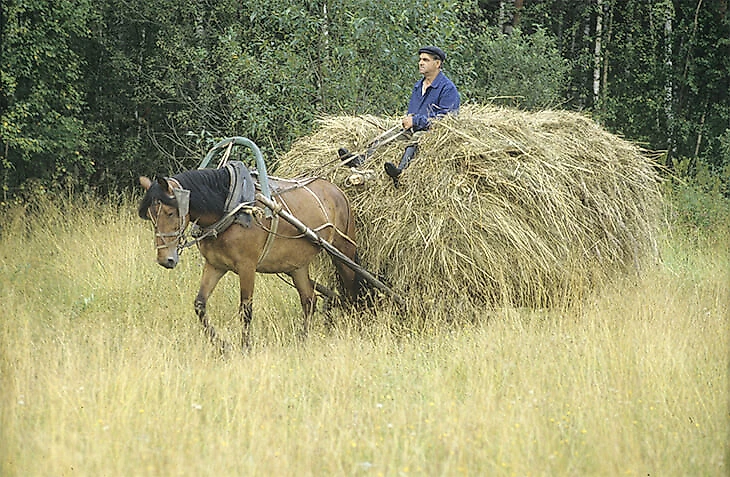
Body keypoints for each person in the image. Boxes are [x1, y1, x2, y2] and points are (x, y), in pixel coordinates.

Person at [383, 45, 460, 186]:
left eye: (425, 60)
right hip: (414, 128)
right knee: (388, 136)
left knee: (418, 138)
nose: (420, 63)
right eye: (420, 59)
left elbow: (446, 119)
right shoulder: (418, 86)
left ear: (437, 63)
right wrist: (409, 120)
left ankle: (400, 172)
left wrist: (416, 120)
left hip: (433, 133)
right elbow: (413, 111)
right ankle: (361, 160)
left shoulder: (448, 89)